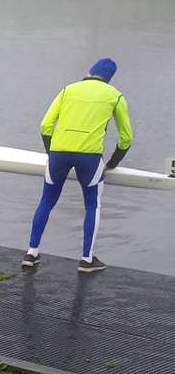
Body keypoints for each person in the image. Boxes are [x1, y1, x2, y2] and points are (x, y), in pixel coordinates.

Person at [23, 58, 132, 273]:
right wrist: (113, 162)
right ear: (109, 78)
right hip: (89, 157)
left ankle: (31, 253)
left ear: (90, 71)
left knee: (46, 200)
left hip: (58, 153)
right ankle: (86, 259)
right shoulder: (115, 96)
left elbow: (45, 125)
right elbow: (126, 137)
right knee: (92, 205)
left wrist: (52, 153)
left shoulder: (68, 89)